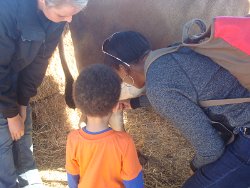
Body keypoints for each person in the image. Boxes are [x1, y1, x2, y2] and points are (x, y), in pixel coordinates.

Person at [102, 31, 250, 188]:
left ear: (123, 69)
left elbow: (211, 149)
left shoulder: (158, 88)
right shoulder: (172, 51)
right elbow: (181, 92)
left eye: (119, 75)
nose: (123, 80)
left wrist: (194, 168)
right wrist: (134, 103)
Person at [0, 0, 88, 187]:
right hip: (2, 72)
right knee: (3, 139)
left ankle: (29, 180)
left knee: (23, 130)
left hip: (14, 71)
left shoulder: (57, 20)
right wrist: (10, 114)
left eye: (72, 14)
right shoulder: (6, 11)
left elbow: (39, 63)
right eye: (63, 15)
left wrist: (22, 104)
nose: (70, 20)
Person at [65, 64, 144, 188]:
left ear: (80, 104)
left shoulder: (73, 139)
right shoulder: (124, 142)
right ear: (115, 105)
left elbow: (72, 178)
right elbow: (134, 184)